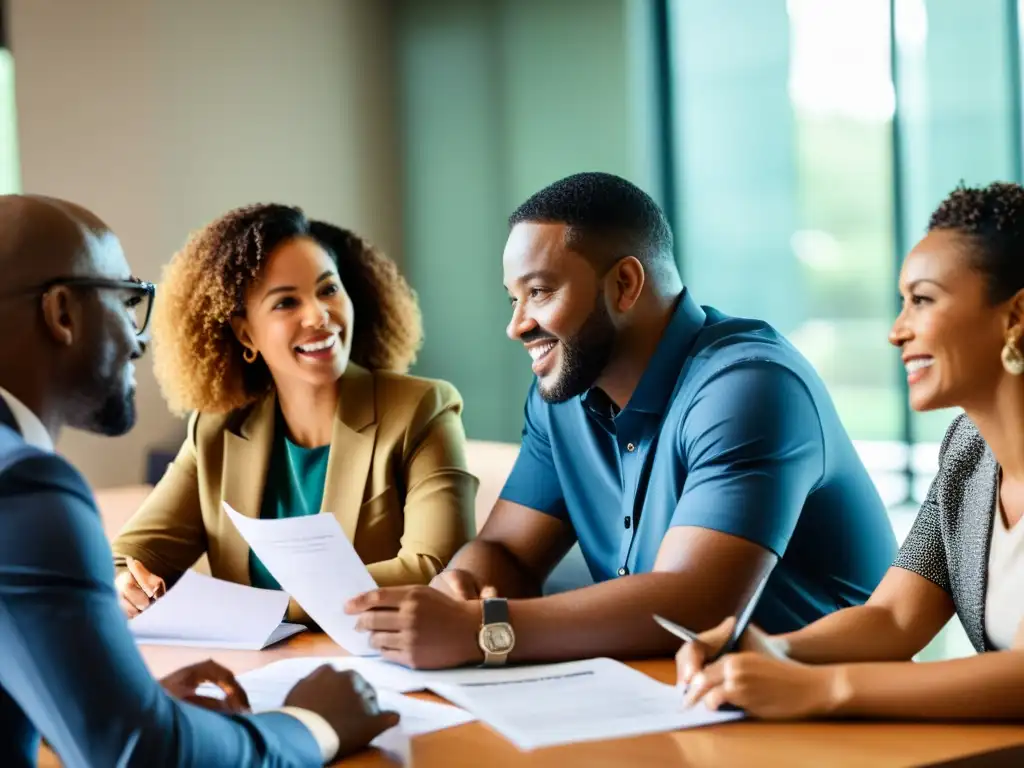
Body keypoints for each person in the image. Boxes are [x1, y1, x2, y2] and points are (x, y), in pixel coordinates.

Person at [344, 171, 897, 670]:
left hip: (826, 710)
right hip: (672, 693)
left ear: (625, 285)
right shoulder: (562, 395)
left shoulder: (749, 386)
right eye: (513, 298)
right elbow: (509, 551)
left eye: (538, 292)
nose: (517, 325)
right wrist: (458, 589)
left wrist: (483, 630)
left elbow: (694, 602)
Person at [0, 194, 398, 766]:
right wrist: (312, 723)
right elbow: (142, 754)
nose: (139, 341)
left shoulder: (420, 407)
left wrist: (130, 703)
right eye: (126, 300)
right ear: (62, 313)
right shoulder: (25, 487)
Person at [676, 181, 1024, 721]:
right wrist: (771, 648)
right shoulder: (968, 452)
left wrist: (819, 689)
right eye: (901, 303)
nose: (896, 331)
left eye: (922, 300)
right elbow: (892, 617)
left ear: (1016, 315)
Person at [111, 205, 476, 621]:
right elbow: (130, 557)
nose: (319, 315)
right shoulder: (218, 428)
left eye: (328, 290)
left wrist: (266, 608)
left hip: (376, 669)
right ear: (245, 332)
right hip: (253, 673)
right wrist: (127, 584)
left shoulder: (423, 409)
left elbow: (437, 570)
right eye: (286, 302)